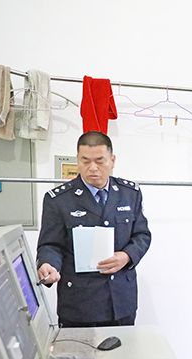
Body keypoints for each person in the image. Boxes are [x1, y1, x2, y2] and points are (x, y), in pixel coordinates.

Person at [37, 131, 151, 327]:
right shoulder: (59, 200)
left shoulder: (129, 193)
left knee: (124, 348)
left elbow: (142, 235)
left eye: (100, 161)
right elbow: (50, 245)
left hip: (121, 301)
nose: (92, 168)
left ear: (112, 160)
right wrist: (49, 264)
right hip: (80, 305)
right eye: (85, 161)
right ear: (78, 160)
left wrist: (127, 256)